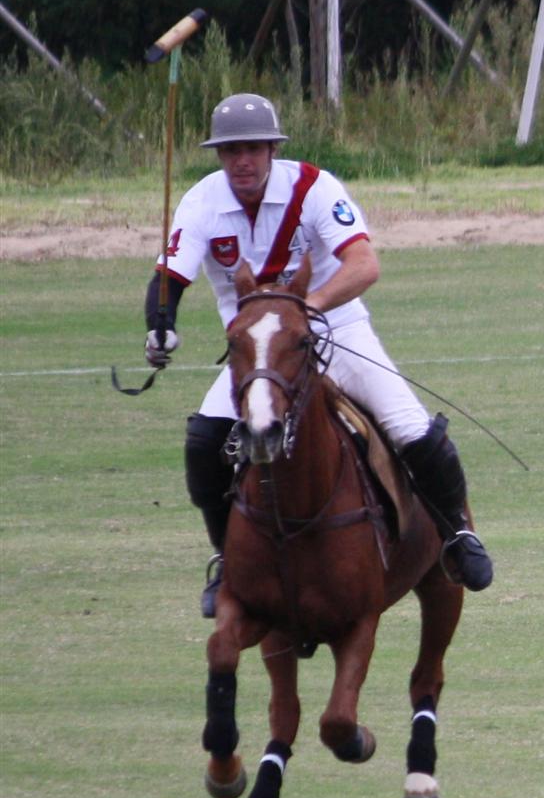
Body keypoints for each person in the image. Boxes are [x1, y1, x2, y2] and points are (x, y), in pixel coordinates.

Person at [144, 92, 493, 616]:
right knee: (203, 443)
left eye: (253, 149)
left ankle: (458, 534)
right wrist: (160, 325)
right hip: (259, 352)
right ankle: (226, 558)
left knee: (410, 428)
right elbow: (169, 277)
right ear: (219, 154)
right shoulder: (201, 202)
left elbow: (364, 264)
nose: (242, 160)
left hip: (336, 330)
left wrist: (305, 309)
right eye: (231, 150)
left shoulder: (313, 188)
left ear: (273, 150)